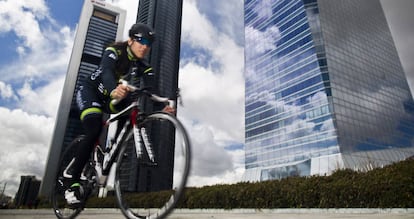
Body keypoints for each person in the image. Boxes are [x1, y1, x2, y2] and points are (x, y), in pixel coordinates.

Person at [63, 23, 174, 207]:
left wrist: (161, 104)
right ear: (130, 40)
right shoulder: (115, 50)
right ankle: (72, 183)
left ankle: (114, 148)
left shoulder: (142, 64)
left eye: (149, 43)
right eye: (141, 41)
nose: (145, 46)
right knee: (94, 128)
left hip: (110, 98)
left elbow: (151, 87)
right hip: (91, 91)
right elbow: (106, 70)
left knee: (132, 105)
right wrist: (113, 89)